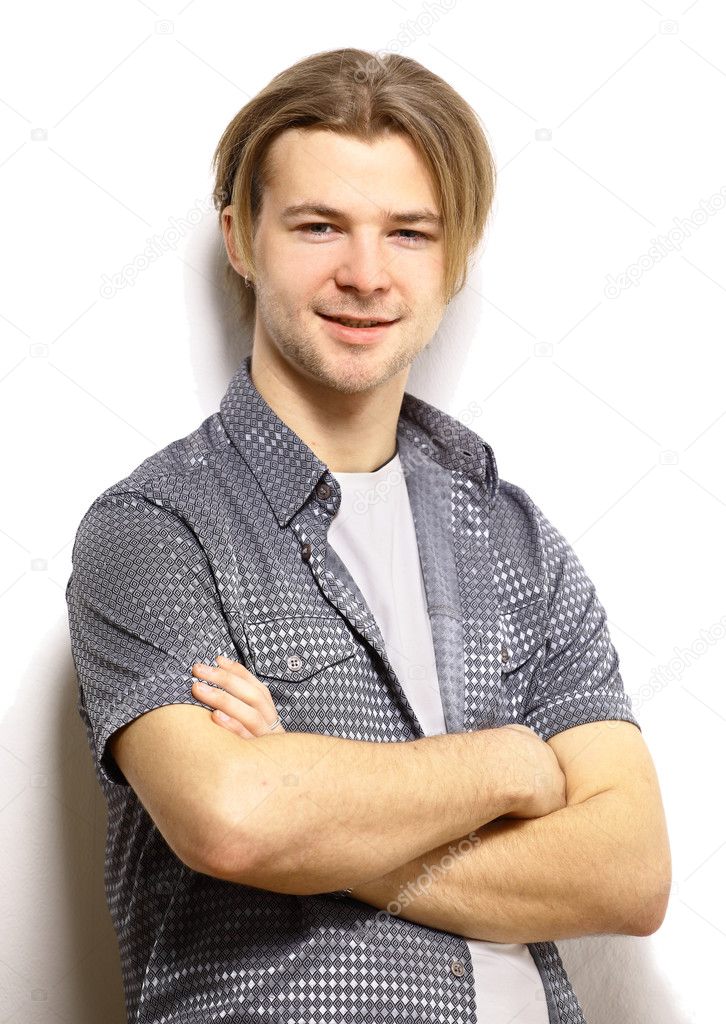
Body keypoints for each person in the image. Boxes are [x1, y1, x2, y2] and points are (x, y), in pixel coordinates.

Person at [65, 47, 671, 1024]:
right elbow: (231, 818)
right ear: (241, 236)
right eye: (318, 227)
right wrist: (512, 764)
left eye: (409, 233)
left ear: (455, 255)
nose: (365, 273)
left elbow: (632, 871)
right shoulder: (154, 527)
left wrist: (311, 814)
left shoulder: (516, 543)